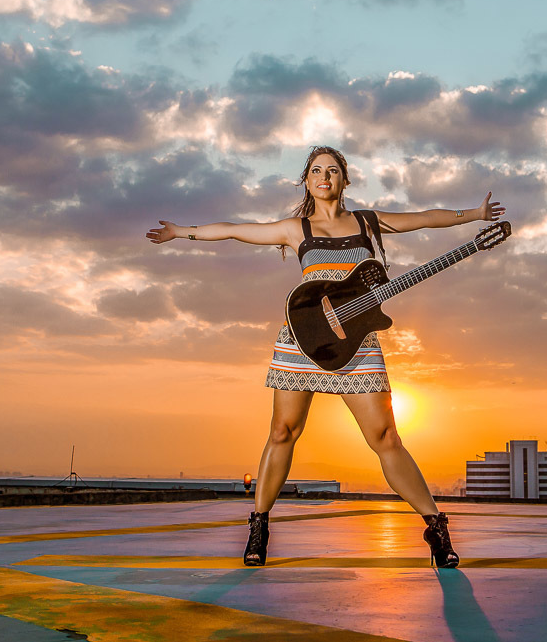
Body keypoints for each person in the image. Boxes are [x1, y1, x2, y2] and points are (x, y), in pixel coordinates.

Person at [147, 145, 505, 567]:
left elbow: (425, 218)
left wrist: (474, 215)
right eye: (316, 170)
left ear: (344, 180)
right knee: (283, 432)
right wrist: (181, 231)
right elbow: (235, 229)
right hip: (301, 339)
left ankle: (436, 528)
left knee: (386, 437)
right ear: (307, 179)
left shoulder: (367, 222)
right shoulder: (295, 229)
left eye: (332, 170)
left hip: (358, 344)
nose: (324, 177)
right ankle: (259, 526)